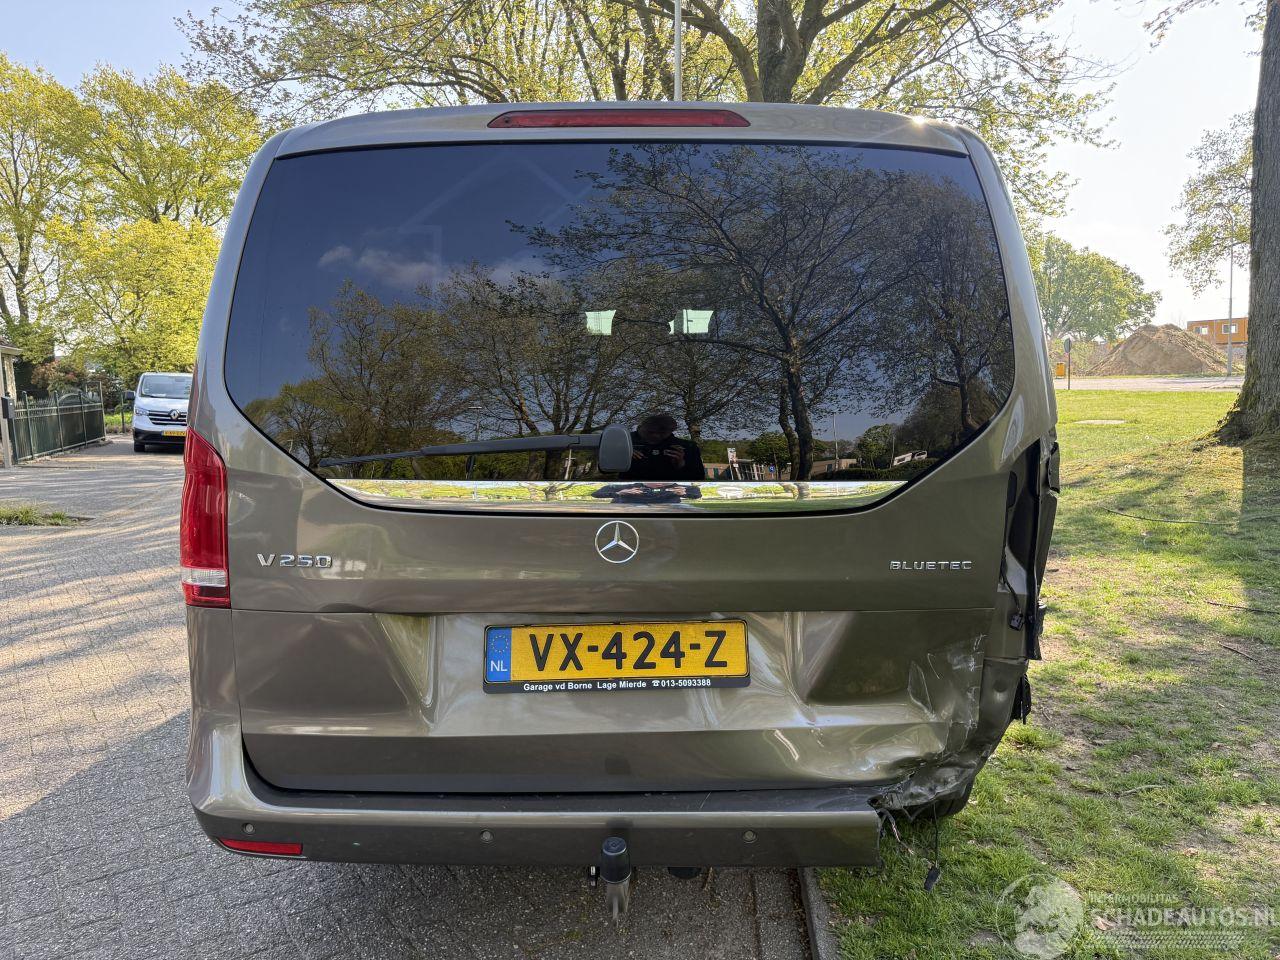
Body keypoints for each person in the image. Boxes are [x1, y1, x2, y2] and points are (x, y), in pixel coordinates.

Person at [619, 414, 705, 482]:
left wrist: (681, 464)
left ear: (671, 431)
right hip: (630, 489)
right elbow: (610, 472)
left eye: (662, 433)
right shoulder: (620, 442)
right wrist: (620, 457)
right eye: (649, 432)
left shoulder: (688, 447)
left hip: (671, 491)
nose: (655, 436)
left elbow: (698, 477)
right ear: (640, 427)